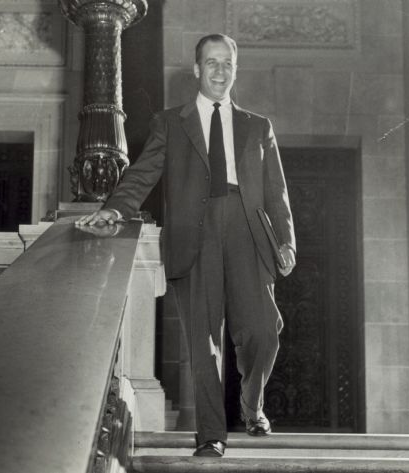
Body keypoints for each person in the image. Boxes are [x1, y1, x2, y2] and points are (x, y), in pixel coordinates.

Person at [76, 33, 296, 457]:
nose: (219, 71)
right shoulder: (170, 123)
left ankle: (252, 403)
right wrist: (115, 208)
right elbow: (143, 174)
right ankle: (211, 435)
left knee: (265, 332)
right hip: (194, 235)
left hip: (248, 230)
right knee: (203, 344)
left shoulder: (257, 126)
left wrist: (285, 241)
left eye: (226, 63)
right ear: (196, 69)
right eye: (211, 63)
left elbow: (276, 193)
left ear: (235, 69)